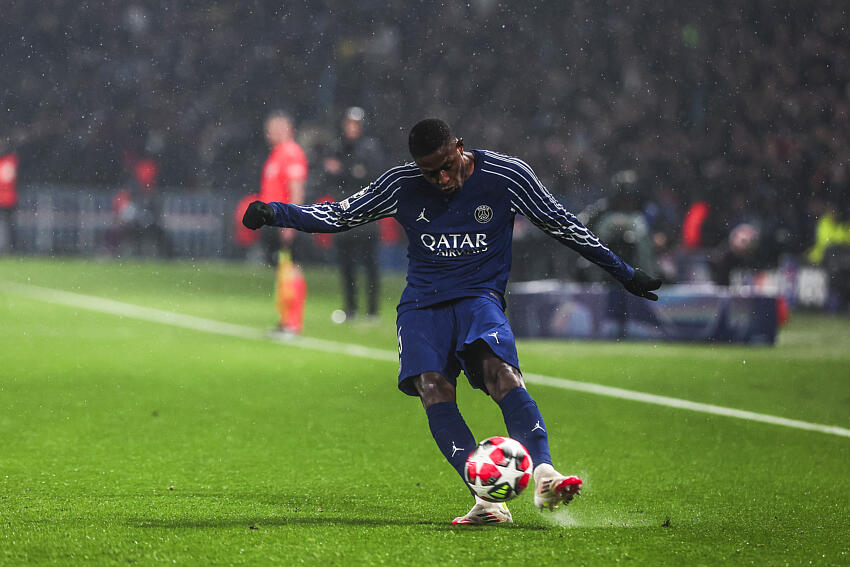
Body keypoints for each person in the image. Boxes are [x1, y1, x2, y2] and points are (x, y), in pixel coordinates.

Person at [242, 118, 661, 525]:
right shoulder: (401, 184)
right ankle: (486, 498)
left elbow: (563, 225)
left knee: (503, 375)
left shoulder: (507, 175)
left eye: (447, 165)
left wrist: (626, 273)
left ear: (459, 146)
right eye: (430, 172)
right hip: (423, 305)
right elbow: (339, 216)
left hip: (479, 298)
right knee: (433, 389)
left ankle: (545, 475)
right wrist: (273, 212)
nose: (441, 178)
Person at [322, 107, 386, 321]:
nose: (351, 128)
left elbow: (372, 177)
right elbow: (332, 176)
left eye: (355, 124)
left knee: (369, 265)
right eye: (348, 124)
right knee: (346, 264)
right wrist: (351, 172)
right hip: (345, 213)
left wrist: (343, 171)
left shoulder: (369, 148)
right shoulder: (338, 147)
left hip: (366, 214)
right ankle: (350, 309)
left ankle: (372, 310)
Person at [258, 111, 309, 334]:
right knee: (283, 269)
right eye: (269, 128)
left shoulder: (291, 152)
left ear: (287, 129)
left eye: (275, 128)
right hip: (275, 222)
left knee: (291, 269)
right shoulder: (277, 154)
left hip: (285, 222)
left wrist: (292, 221)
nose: (270, 132)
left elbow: (296, 189)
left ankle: (293, 323)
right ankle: (285, 319)